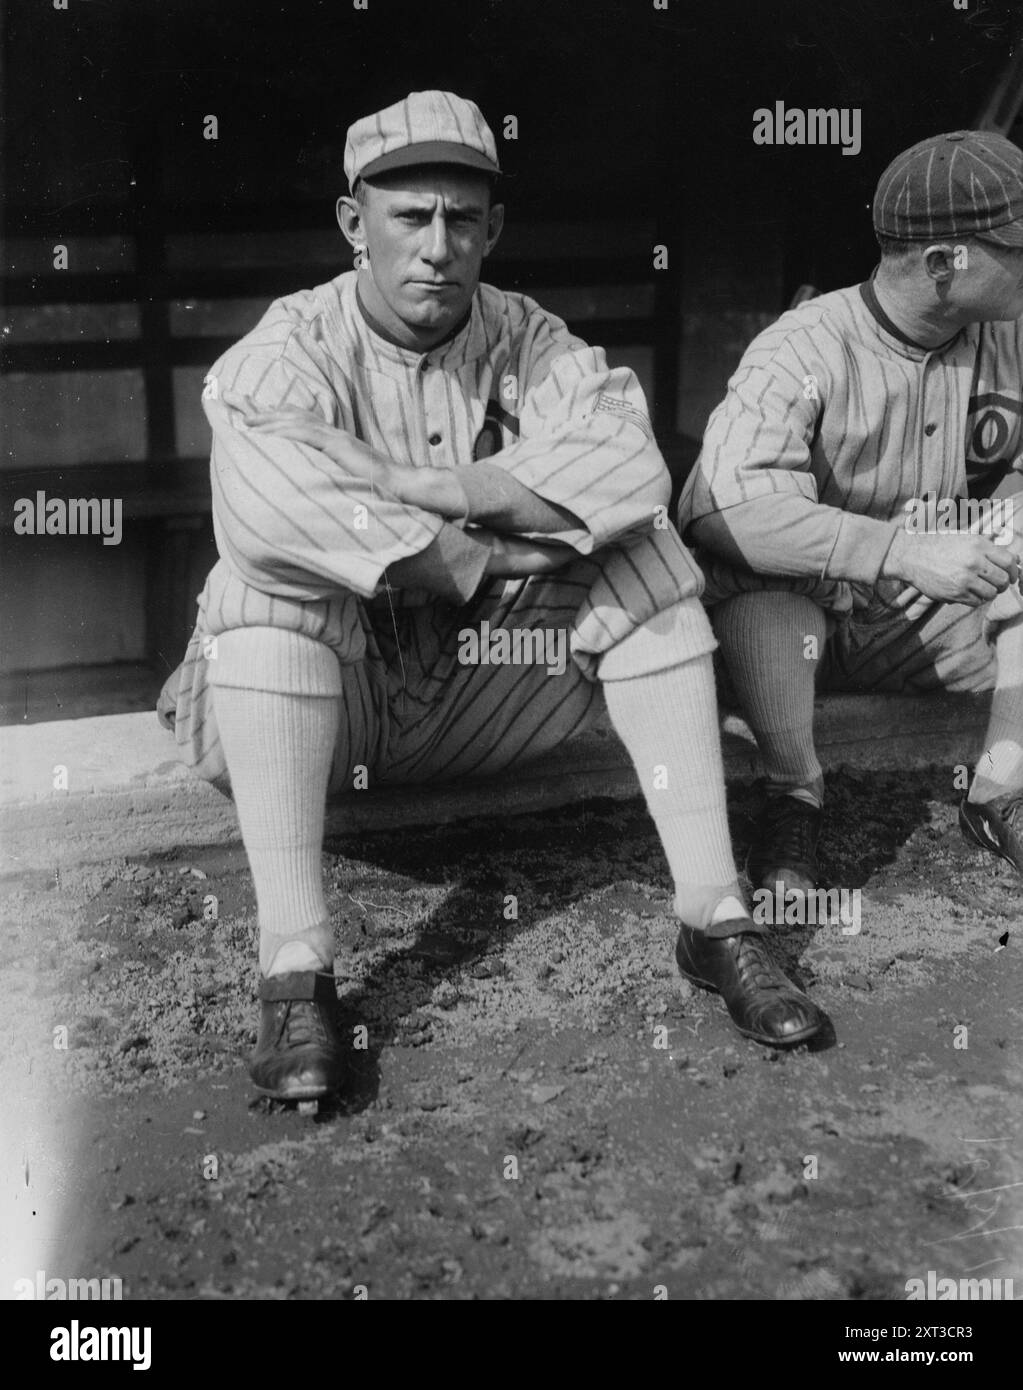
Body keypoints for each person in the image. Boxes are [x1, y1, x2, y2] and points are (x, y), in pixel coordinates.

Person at [159, 90, 830, 1107]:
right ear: (355, 225)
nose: (438, 245)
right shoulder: (290, 344)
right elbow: (267, 511)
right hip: (322, 715)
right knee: (260, 590)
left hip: (480, 689)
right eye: (410, 215)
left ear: (492, 229)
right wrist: (478, 548)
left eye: (462, 218)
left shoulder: (531, 337)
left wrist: (439, 492)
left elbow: (630, 467)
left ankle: (715, 917)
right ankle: (294, 973)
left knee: (647, 558)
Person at [678, 130, 1023, 907]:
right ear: (943, 265)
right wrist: (896, 549)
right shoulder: (804, 345)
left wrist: (1005, 513)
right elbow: (718, 509)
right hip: (802, 631)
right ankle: (792, 797)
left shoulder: (1008, 331)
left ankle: (999, 793)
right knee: (761, 591)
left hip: (926, 626)